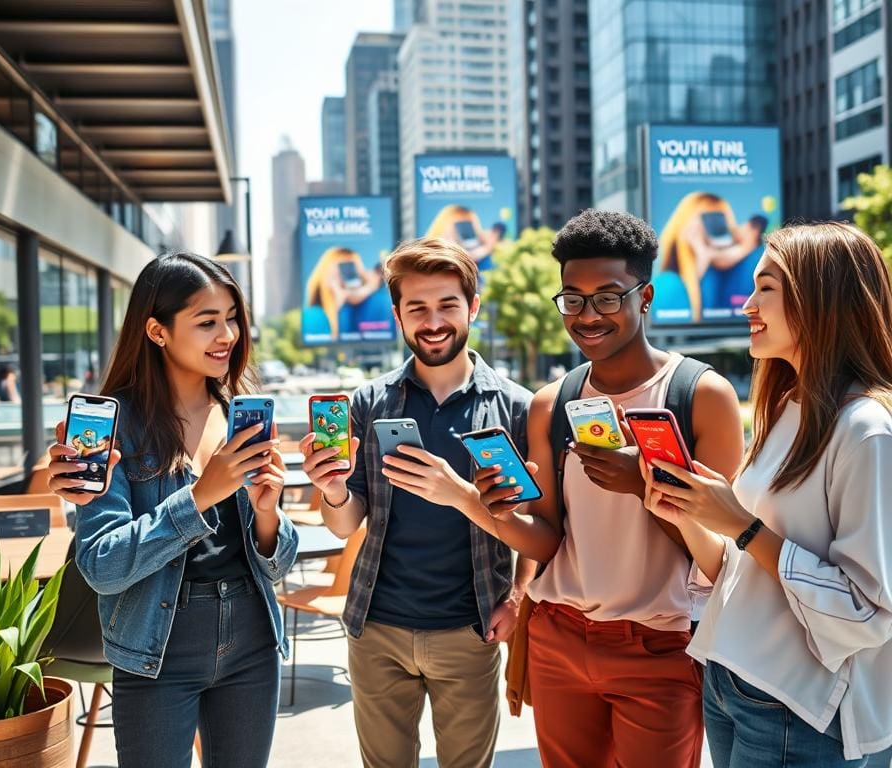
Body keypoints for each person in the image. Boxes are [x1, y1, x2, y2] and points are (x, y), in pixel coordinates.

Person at [474, 209, 744, 767]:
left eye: (608, 297)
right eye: (572, 298)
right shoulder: (552, 403)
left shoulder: (701, 395)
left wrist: (643, 483)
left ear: (645, 298)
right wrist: (494, 509)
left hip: (661, 644)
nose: (587, 315)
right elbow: (546, 541)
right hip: (558, 637)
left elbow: (726, 555)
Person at [644, 222, 892, 767]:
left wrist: (741, 525)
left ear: (821, 298)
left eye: (767, 288)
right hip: (729, 677)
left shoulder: (866, 431)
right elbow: (739, 567)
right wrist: (688, 514)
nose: (747, 304)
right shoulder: (785, 409)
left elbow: (867, 612)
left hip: (795, 705)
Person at [46, 252, 298, 768]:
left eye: (231, 317)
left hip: (252, 634)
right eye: (206, 322)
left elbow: (275, 564)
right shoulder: (114, 428)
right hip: (155, 644)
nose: (226, 334)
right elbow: (102, 566)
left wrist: (269, 515)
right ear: (157, 331)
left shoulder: (241, 415)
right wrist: (200, 496)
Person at [298, 237, 535, 768]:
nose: (433, 322)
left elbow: (538, 523)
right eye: (417, 308)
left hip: (469, 629)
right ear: (398, 316)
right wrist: (332, 488)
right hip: (376, 627)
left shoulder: (518, 408)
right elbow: (344, 525)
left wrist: (518, 597)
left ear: (472, 306)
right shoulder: (368, 402)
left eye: (448, 305)